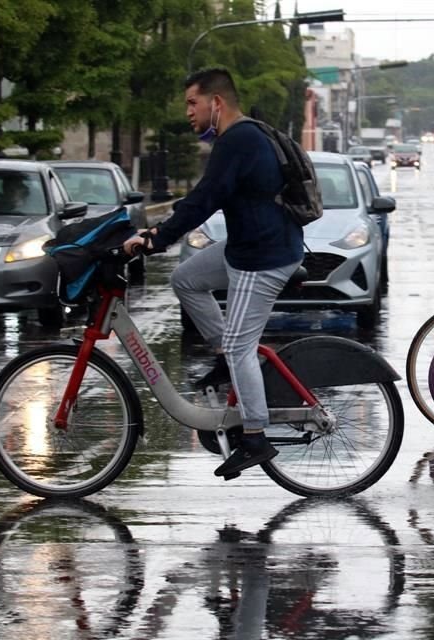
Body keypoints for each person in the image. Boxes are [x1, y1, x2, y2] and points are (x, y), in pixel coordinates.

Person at [123, 67, 304, 478]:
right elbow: (206, 198)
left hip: (265, 255)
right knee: (186, 279)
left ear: (215, 103)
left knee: (243, 346)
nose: (188, 111)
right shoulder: (238, 138)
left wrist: (158, 238)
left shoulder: (237, 140)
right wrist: (159, 233)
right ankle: (226, 360)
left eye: (192, 103)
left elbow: (205, 199)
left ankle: (256, 434)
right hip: (247, 246)